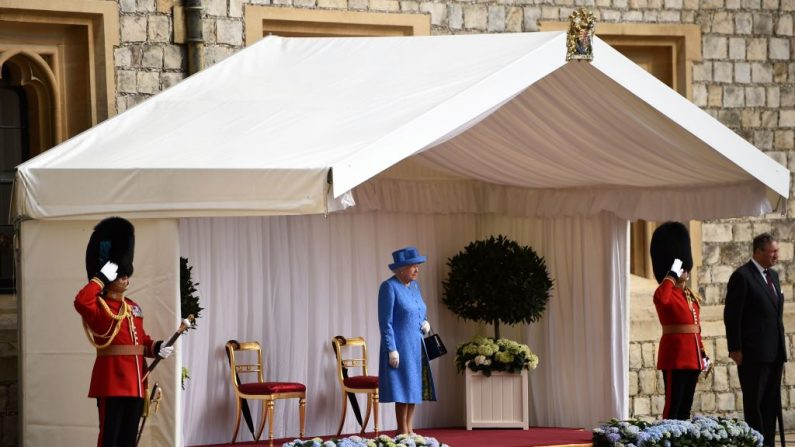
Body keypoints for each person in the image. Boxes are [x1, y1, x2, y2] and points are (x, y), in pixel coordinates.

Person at [74, 217, 174, 447]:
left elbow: (142, 340)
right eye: (120, 274)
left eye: (126, 274)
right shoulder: (99, 306)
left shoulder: (132, 306)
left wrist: (157, 347)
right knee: (109, 439)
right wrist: (99, 278)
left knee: (128, 440)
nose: (125, 278)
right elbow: (81, 301)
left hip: (136, 382)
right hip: (111, 381)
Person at [724, 233, 786, 447]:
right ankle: (757, 442)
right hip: (753, 352)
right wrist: (735, 347)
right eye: (772, 252)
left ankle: (768, 442)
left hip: (774, 351)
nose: (776, 256)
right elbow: (732, 315)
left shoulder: (774, 277)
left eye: (777, 251)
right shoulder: (742, 276)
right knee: (755, 403)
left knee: (770, 403)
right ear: (758, 252)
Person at [650, 222, 708, 420]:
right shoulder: (666, 292)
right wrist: (671, 274)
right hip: (675, 357)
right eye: (682, 268)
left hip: (692, 358)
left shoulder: (689, 296)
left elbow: (695, 329)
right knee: (672, 408)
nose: (686, 270)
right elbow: (662, 299)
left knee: (685, 410)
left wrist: (703, 355)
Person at [378, 246, 436, 435]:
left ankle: (410, 429)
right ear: (401, 268)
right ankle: (402, 430)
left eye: (418, 265)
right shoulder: (388, 287)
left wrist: (425, 322)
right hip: (400, 346)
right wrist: (391, 349)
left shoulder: (415, 287)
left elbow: (419, 311)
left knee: (413, 387)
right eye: (413, 266)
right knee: (402, 388)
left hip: (416, 346)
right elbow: (385, 322)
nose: (417, 269)